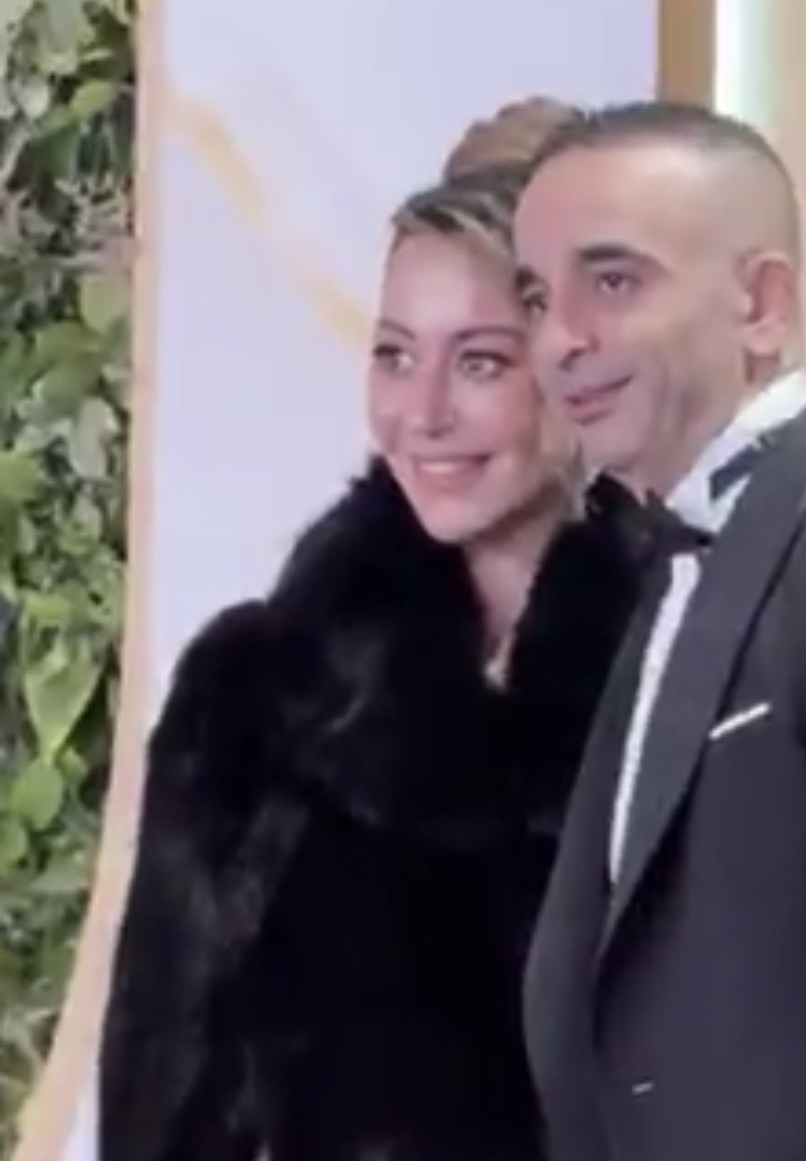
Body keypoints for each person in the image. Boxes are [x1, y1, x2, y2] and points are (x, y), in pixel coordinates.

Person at [97, 100, 650, 1161]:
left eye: (479, 361)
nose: (422, 411)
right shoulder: (255, 695)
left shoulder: (701, 672)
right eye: (394, 355)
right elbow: (164, 1101)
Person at [512, 100, 806, 1161]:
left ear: (761, 304)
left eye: (615, 282)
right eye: (537, 297)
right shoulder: (669, 554)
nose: (560, 339)